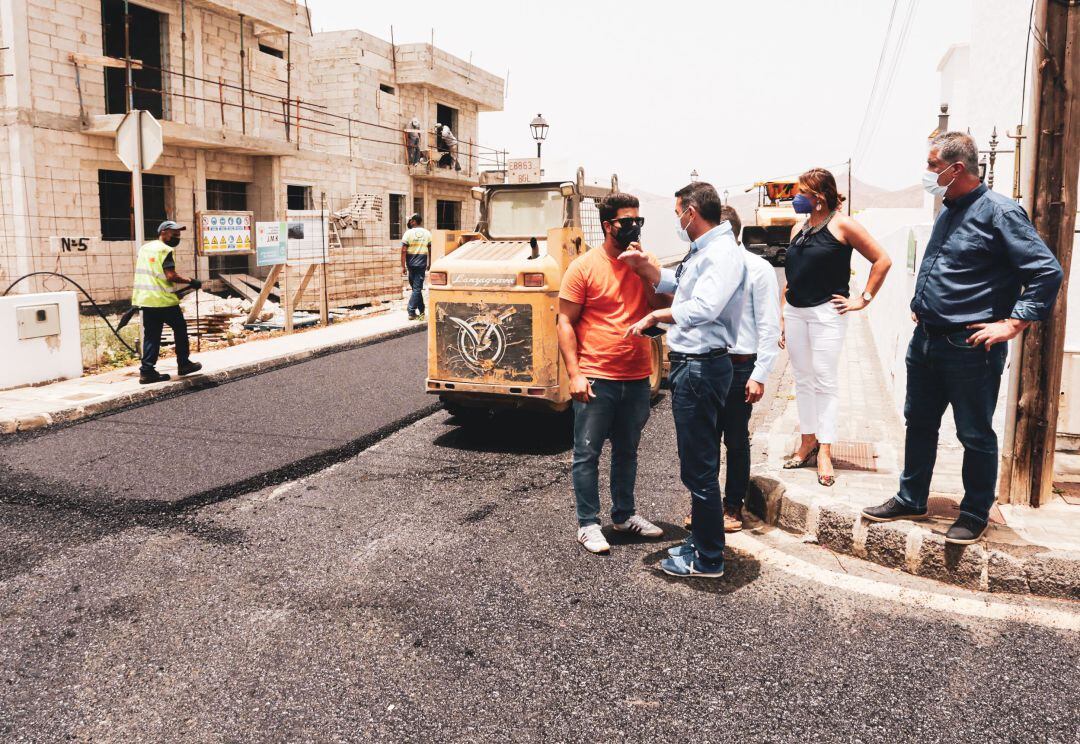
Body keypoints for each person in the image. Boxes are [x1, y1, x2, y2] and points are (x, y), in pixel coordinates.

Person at [863, 131, 1063, 544]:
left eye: (933, 166)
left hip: (969, 346)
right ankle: (911, 497)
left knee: (974, 432)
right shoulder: (948, 209)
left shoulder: (1000, 213)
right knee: (918, 422)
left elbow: (1046, 272)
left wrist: (1013, 323)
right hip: (927, 340)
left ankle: (974, 512)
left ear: (956, 169)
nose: (928, 173)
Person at [622, 182, 747, 579]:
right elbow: (681, 284)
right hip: (696, 366)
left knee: (699, 467)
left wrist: (657, 316)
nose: (678, 220)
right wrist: (649, 272)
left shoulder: (723, 253)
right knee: (699, 462)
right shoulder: (706, 250)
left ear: (691, 211)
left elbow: (706, 306)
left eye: (679, 212)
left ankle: (709, 558)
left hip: (700, 367)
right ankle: (703, 543)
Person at [557, 192, 665, 554]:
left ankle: (624, 515)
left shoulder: (645, 263)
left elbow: (662, 308)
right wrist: (575, 373)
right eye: (627, 221)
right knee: (586, 452)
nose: (634, 227)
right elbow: (565, 322)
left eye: (639, 221)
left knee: (627, 451)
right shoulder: (583, 267)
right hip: (597, 375)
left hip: (635, 376)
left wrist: (645, 271)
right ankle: (588, 524)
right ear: (608, 226)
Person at [779, 168, 891, 486]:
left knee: (824, 381)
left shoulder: (843, 225)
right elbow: (792, 278)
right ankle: (807, 441)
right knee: (802, 380)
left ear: (818, 198)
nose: (795, 199)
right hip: (797, 313)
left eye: (801, 194)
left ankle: (825, 448)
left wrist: (863, 299)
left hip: (827, 313)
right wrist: (783, 314)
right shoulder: (797, 230)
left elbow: (882, 260)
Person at [718, 204, 781, 532]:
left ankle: (732, 507)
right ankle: (704, 504)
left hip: (739, 367)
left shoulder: (758, 269)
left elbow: (769, 325)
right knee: (704, 439)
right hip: (706, 365)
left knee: (736, 440)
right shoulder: (704, 266)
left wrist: (760, 374)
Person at [131, 220, 202, 385]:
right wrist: (191, 281)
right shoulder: (165, 249)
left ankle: (147, 371)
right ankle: (184, 364)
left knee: (151, 336)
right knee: (180, 328)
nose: (177, 236)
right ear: (163, 232)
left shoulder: (145, 248)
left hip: (146, 300)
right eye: (174, 232)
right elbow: (170, 276)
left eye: (179, 233)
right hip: (163, 301)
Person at [400, 213, 432, 321]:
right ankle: (422, 310)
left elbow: (403, 250)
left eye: (410, 220)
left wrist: (402, 266)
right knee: (416, 289)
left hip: (411, 264)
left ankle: (411, 311)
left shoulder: (408, 233)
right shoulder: (427, 233)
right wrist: (430, 262)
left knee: (416, 289)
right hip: (421, 264)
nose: (409, 222)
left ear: (414, 221)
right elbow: (430, 249)